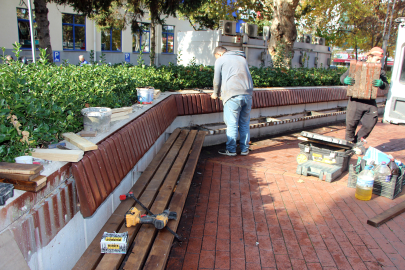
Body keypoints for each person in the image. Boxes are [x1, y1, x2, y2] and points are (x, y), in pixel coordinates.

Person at [341, 47, 389, 144]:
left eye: (380, 60)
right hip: (355, 101)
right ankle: (349, 144)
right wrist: (344, 80)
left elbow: (386, 86)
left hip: (370, 102)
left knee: (371, 121)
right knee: (351, 125)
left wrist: (382, 84)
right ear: (370, 57)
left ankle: (357, 140)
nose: (379, 62)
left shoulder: (380, 70)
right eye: (377, 59)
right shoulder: (356, 66)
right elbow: (342, 77)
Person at [211, 46, 254, 156]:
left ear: (219, 54)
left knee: (232, 124)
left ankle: (231, 150)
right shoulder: (242, 58)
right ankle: (245, 149)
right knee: (244, 123)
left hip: (232, 95)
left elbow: (217, 80)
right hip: (248, 94)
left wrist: (215, 94)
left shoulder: (221, 60)